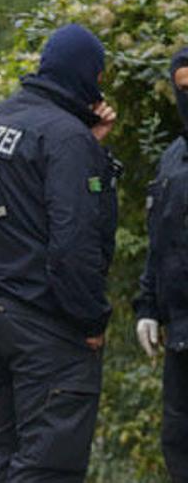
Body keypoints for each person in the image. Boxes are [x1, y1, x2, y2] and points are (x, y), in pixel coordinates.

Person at [0, 24, 118, 482]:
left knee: (7, 460)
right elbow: (72, 243)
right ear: (83, 73)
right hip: (50, 329)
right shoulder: (64, 137)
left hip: (0, 319)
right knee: (48, 469)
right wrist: (91, 319)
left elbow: (22, 210)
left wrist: (91, 148)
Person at [133, 47, 188, 483]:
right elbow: (160, 241)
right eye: (183, 87)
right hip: (181, 335)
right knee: (178, 441)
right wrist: (148, 305)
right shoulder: (173, 158)